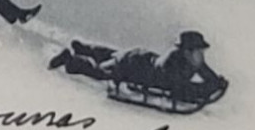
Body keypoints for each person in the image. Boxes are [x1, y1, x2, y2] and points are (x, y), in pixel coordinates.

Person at [49, 31, 228, 105]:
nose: (201, 54)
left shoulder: (194, 60)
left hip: (142, 58)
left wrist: (216, 82)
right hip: (136, 68)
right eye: (198, 50)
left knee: (115, 55)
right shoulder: (174, 62)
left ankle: (85, 49)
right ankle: (71, 60)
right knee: (104, 72)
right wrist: (205, 90)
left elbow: (205, 73)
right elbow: (178, 87)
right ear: (187, 51)